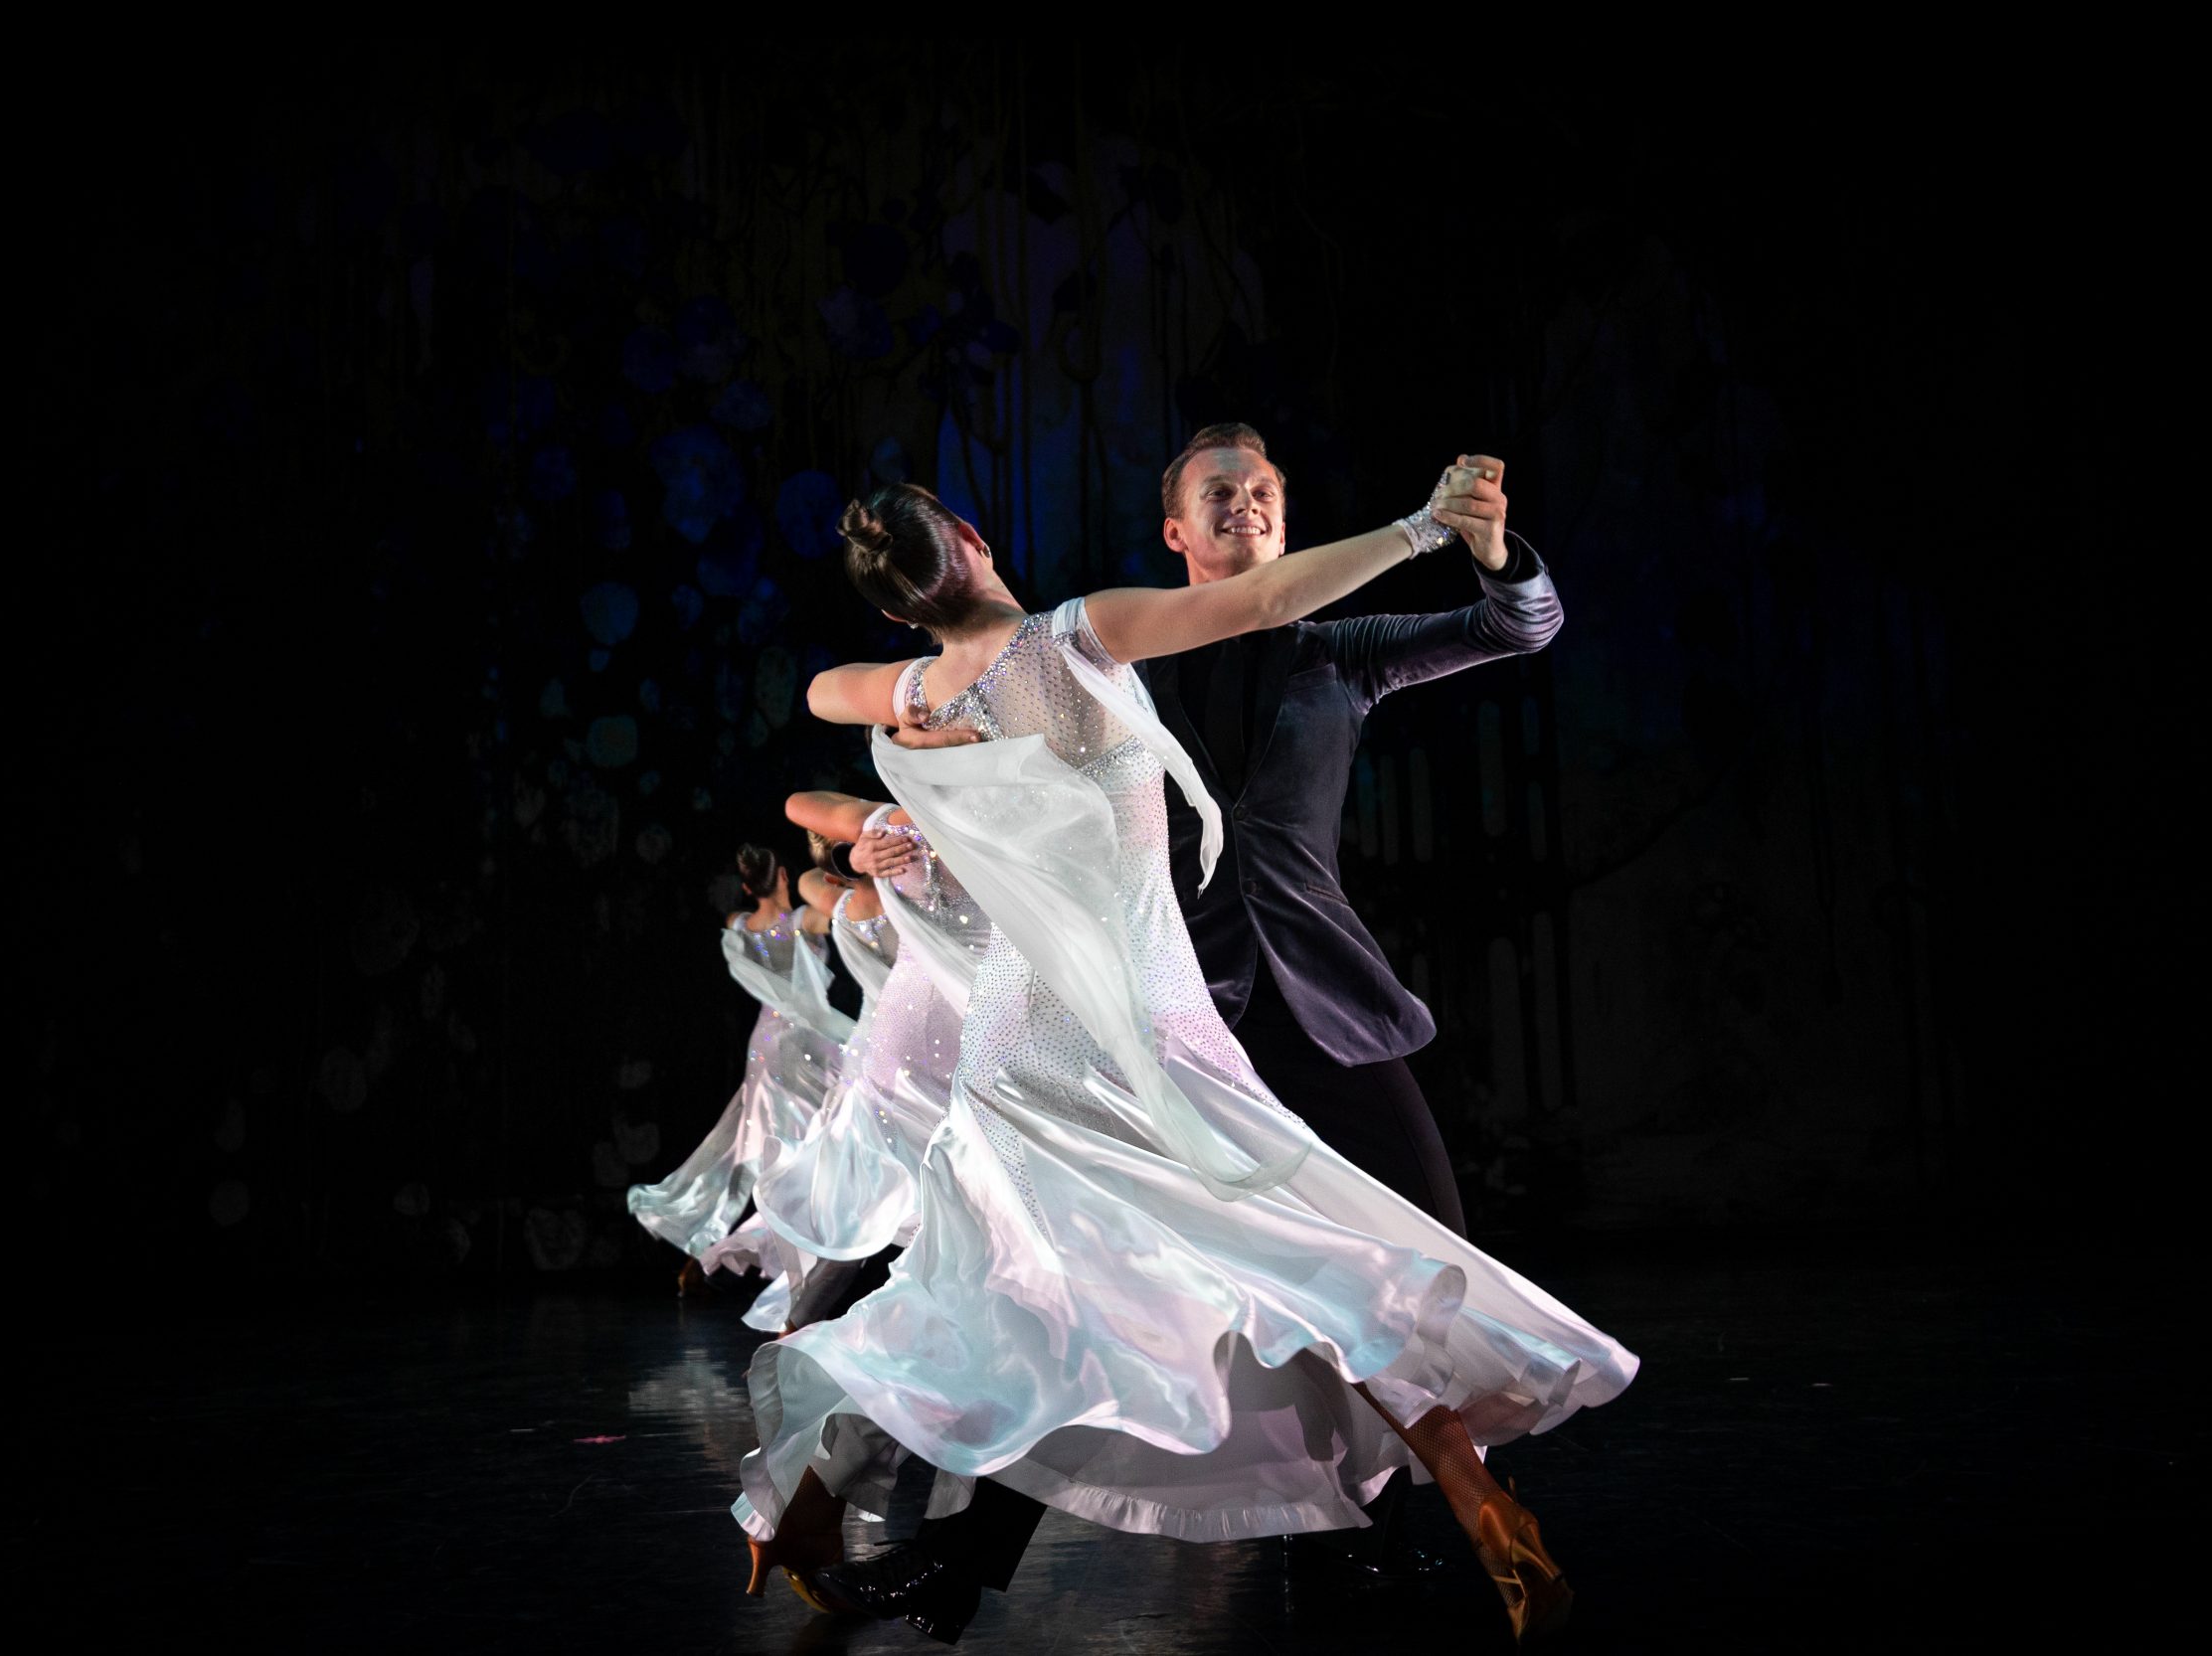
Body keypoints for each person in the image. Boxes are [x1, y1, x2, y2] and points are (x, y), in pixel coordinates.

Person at [735, 477, 1635, 1645]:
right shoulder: (1077, 634)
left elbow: (821, 689)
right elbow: (1263, 600)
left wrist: (907, 734)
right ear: (968, 540)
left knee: (988, 1294)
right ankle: (1475, 1503)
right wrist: (1418, 530)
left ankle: (807, 1512)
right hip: (1143, 1019)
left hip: (1015, 1042)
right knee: (1294, 1254)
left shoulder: (909, 689)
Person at [1138, 424, 1559, 1570]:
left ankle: (1460, 1490)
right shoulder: (1117, 663)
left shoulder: (1338, 650)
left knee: (1433, 1250)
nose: (1247, 505)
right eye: (1219, 491)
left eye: (1264, 489)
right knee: (1177, 1290)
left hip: (1324, 1000)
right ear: (1176, 531)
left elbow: (1518, 626)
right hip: (1188, 1021)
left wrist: (1490, 549)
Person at [743, 796, 989, 1330]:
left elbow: (812, 880)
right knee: (911, 1179)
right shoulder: (908, 886)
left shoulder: (842, 906)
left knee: (870, 1186)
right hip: (917, 1043)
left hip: (878, 1048)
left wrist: (847, 864)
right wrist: (855, 859)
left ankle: (812, 1317)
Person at [623, 841, 853, 1303]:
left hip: (765, 1046)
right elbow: (842, 912)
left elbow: (737, 927)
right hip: (806, 1044)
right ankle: (790, 1264)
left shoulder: (739, 925)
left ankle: (711, 1253)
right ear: (785, 876)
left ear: (748, 885)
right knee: (807, 1151)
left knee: (753, 1154)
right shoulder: (805, 921)